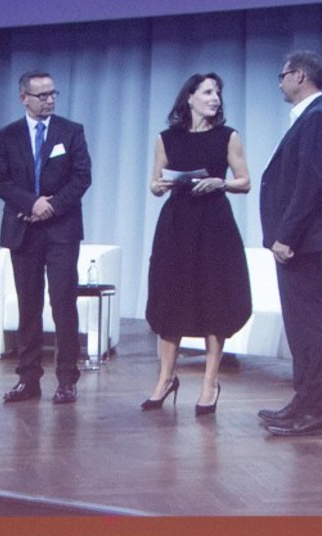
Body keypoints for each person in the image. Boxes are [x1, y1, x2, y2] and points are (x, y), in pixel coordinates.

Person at [142, 72, 252, 416]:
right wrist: (159, 186)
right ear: (189, 97)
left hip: (214, 225)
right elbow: (155, 183)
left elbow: (245, 181)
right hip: (177, 225)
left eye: (217, 92)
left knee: (214, 298)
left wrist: (221, 183)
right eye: (207, 92)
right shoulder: (166, 138)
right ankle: (165, 379)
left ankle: (210, 384)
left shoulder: (228, 136)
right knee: (170, 298)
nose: (214, 98)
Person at [257, 50, 322, 438]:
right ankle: (304, 401)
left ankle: (317, 409)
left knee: (309, 325)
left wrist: (287, 235)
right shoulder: (312, 117)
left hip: (302, 240)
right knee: (300, 325)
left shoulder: (319, 117)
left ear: (298, 76)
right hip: (300, 239)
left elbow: (310, 182)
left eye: (282, 76)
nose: (279, 84)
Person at [0, 71, 92, 405]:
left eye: (53, 94)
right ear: (24, 98)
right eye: (42, 95)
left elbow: (81, 177)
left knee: (63, 303)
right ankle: (28, 379)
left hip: (61, 230)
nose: (50, 100)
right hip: (23, 228)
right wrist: (30, 203)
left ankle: (67, 379)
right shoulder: (7, 136)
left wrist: (50, 207)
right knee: (28, 305)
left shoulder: (71, 131)